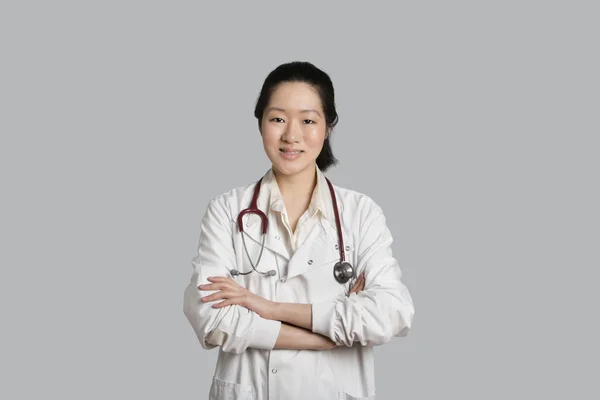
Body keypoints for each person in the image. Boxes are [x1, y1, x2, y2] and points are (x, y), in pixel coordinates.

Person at [183, 61, 415, 400]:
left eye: (308, 120)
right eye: (278, 119)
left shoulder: (360, 213)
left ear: (328, 127)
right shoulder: (227, 210)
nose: (291, 135)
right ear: (260, 123)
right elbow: (211, 317)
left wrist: (265, 307)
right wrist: (326, 335)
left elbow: (391, 313)